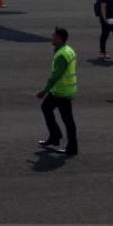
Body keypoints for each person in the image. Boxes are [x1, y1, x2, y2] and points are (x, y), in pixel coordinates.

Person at [36, 27, 78, 155]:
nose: (52, 38)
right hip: (61, 90)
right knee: (46, 108)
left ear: (59, 38)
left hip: (63, 92)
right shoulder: (67, 50)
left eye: (54, 36)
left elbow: (56, 76)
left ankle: (72, 147)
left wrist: (44, 90)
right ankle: (55, 136)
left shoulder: (61, 55)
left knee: (68, 120)